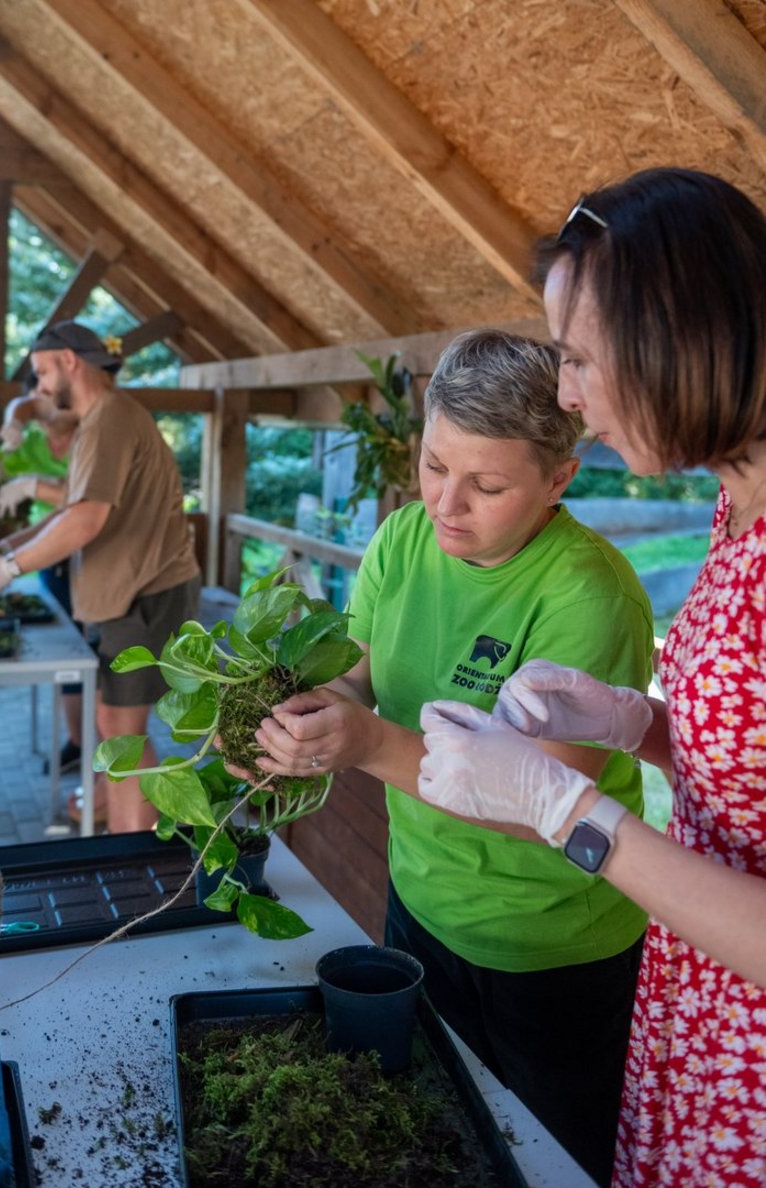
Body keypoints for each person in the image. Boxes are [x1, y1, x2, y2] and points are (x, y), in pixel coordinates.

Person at [417, 168, 766, 1187]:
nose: (565, 394)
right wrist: (630, 724)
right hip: (697, 1015)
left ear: (677, 335)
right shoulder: (734, 501)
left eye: (576, 359)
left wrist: (564, 806)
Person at [252, 328, 655, 1185]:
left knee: (549, 1165)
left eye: (487, 485)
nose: (447, 503)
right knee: (432, 1143)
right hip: (420, 905)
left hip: (552, 953)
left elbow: (547, 810)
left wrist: (367, 744)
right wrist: (309, 718)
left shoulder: (588, 593)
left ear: (559, 480)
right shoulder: (403, 541)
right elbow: (355, 680)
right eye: (435, 465)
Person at [0, 320, 201, 834]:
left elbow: (87, 520)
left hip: (145, 593)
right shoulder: (99, 420)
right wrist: (9, 546)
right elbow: (73, 507)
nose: (41, 386)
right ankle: (114, 818)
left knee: (122, 733)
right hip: (121, 597)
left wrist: (8, 569)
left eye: (42, 372)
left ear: (70, 360)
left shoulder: (111, 417)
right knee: (114, 727)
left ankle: (129, 854)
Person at [0, 376, 88, 790]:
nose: (47, 407)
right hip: (50, 553)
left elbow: (81, 498)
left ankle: (90, 743)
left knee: (86, 653)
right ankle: (78, 740)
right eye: (41, 398)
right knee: (68, 649)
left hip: (91, 553)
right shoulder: (32, 444)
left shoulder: (90, 436)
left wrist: (32, 486)